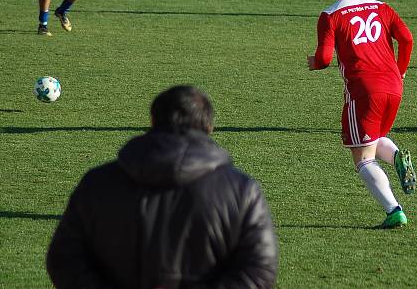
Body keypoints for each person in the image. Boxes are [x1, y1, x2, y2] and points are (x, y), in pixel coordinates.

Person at [46, 85, 279, 288]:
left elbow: (64, 259)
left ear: (153, 121)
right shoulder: (242, 191)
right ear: (209, 127)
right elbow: (259, 270)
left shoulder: (97, 182)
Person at [307, 0, 417, 228]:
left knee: (362, 157)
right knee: (375, 137)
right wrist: (400, 70)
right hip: (393, 85)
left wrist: (313, 62)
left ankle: (394, 211)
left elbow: (323, 59)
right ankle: (396, 157)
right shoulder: (382, 7)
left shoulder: (330, 15)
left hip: (364, 89)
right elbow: (407, 39)